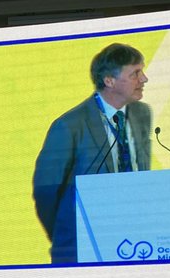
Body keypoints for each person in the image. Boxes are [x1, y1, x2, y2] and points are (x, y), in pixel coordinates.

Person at [32, 43, 152, 264]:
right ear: (109, 81)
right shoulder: (69, 126)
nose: (144, 79)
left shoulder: (143, 114)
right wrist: (67, 235)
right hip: (81, 249)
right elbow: (46, 192)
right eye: (135, 73)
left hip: (134, 243)